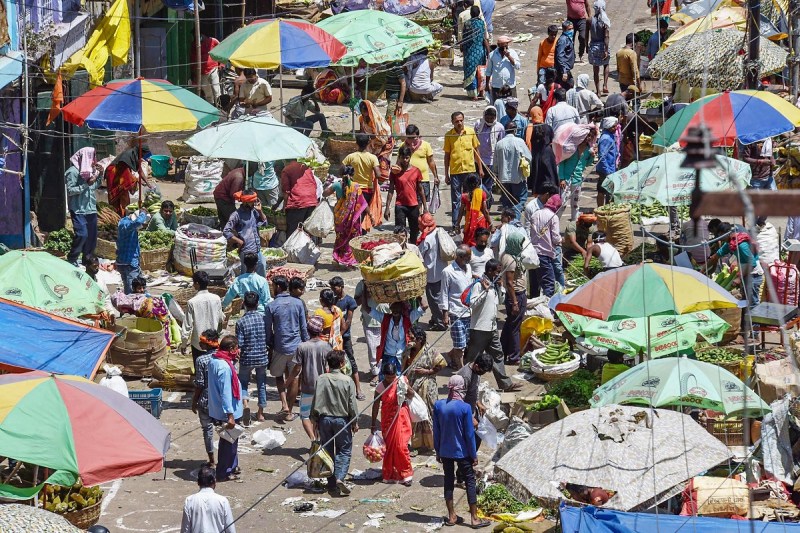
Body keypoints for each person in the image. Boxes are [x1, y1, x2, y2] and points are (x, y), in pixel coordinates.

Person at [434, 375, 490, 529]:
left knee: (448, 480)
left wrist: (437, 451)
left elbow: (436, 431)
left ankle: (451, 516)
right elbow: (469, 434)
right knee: (470, 480)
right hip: (463, 452)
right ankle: (474, 518)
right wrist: (473, 455)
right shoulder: (465, 408)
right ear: (462, 388)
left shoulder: (439, 405)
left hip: (445, 451)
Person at [465, 258, 522, 389]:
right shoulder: (479, 284)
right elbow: (472, 303)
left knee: (498, 355)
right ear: (490, 270)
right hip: (480, 328)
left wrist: (500, 287)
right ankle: (467, 383)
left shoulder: (494, 284)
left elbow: (500, 301)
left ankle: (505, 384)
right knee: (473, 358)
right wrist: (485, 291)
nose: (499, 274)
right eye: (497, 271)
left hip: (492, 328)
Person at [311, 349, 359, 497]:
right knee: (344, 450)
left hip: (324, 420)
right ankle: (340, 477)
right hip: (342, 420)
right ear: (342, 363)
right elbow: (352, 404)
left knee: (328, 452)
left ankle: (332, 484)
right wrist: (354, 421)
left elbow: (316, 401)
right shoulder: (347, 380)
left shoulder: (321, 379)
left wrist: (315, 419)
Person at [265, 275, 309, 421]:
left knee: (278, 375)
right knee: (294, 378)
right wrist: (305, 344)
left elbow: (268, 330)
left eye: (272, 286)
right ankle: (289, 411)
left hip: (280, 346)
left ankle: (284, 403)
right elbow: (303, 327)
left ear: (278, 287)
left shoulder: (271, 306)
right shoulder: (298, 303)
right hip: (296, 346)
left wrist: (270, 344)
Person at [287, 315, 332, 440]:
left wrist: (288, 382)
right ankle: (319, 439)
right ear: (320, 330)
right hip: (323, 388)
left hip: (307, 388)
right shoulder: (326, 346)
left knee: (305, 416)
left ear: (308, 330)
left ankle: (313, 439)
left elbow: (297, 369)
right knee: (320, 416)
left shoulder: (302, 347)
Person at [370, 362, 415, 486]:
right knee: (389, 448)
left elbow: (411, 395)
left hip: (401, 418)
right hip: (387, 420)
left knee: (401, 446)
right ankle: (391, 473)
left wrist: (405, 387)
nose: (390, 379)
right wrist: (373, 424)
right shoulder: (380, 387)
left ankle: (406, 474)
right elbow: (375, 405)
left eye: (392, 377)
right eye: (388, 377)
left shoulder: (401, 381)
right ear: (383, 375)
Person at [404, 325, 446, 453]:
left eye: (412, 338)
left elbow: (442, 364)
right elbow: (403, 367)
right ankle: (416, 445)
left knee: (428, 414)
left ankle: (432, 444)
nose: (410, 340)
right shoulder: (408, 350)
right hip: (412, 389)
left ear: (420, 339)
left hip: (427, 387)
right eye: (409, 337)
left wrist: (428, 371)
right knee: (414, 415)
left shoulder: (430, 351)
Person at [207, 335, 243, 481]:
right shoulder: (223, 367)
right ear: (231, 349)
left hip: (217, 408)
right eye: (236, 348)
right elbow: (226, 392)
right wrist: (230, 415)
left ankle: (232, 466)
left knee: (231, 441)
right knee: (228, 443)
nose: (238, 351)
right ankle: (224, 471)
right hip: (228, 411)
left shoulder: (214, 360)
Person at [706, 221, 764, 308]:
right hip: (745, 274)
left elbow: (752, 264)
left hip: (753, 275)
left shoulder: (741, 245)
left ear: (727, 233)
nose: (720, 238)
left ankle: (756, 322)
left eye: (721, 236)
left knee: (752, 304)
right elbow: (717, 255)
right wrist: (703, 269)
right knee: (745, 301)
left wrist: (738, 278)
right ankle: (746, 320)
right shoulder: (729, 243)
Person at [366, 300, 426, 378]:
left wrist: (419, 296)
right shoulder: (385, 318)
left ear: (402, 310)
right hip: (388, 355)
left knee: (401, 381)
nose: (395, 312)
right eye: (393, 309)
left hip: (402, 357)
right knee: (386, 381)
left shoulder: (408, 319)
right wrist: (364, 292)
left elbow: (424, 306)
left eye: (397, 309)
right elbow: (366, 308)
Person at [444, 111, 482, 232]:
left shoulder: (470, 132)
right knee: (456, 199)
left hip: (470, 171)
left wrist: (480, 169)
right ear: (452, 122)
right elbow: (447, 155)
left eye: (461, 120)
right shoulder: (449, 135)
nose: (459, 123)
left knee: (470, 199)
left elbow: (476, 152)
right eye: (456, 121)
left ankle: (469, 223)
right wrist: (446, 174)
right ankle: (455, 225)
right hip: (455, 172)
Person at [323, 166, 368, 268]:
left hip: (340, 217)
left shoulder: (336, 185)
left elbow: (324, 194)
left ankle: (338, 258)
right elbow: (363, 202)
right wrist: (371, 215)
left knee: (340, 238)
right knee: (352, 240)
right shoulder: (356, 187)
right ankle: (350, 261)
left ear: (340, 174)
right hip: (353, 220)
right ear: (353, 175)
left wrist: (327, 186)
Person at [235, 291, 269, 423]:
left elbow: (240, 342)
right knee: (261, 384)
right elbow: (267, 336)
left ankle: (245, 405)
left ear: (244, 304)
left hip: (247, 357)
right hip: (261, 356)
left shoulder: (241, 322)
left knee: (243, 382)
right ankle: (260, 413)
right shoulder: (263, 318)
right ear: (258, 304)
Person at [66, 147, 102, 266]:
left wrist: (100, 175)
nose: (93, 161)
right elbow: (70, 190)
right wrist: (86, 184)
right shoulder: (73, 172)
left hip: (90, 208)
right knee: (82, 234)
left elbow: (94, 186)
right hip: (78, 209)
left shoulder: (89, 171)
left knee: (91, 237)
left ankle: (87, 260)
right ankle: (72, 258)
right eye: (91, 157)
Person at [330, 276, 364, 400]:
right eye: (332, 288)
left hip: (345, 337)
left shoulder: (349, 301)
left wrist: (339, 335)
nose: (334, 290)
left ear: (342, 286)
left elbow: (348, 320)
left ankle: (358, 389)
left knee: (351, 361)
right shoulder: (332, 300)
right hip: (335, 337)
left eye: (335, 288)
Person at [385, 146, 427, 242]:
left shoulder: (416, 171)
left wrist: (425, 207)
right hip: (400, 206)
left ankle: (412, 251)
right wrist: (387, 208)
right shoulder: (394, 172)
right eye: (402, 157)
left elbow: (420, 190)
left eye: (407, 157)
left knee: (414, 231)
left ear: (410, 157)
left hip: (413, 206)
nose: (405, 160)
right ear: (399, 157)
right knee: (399, 233)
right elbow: (391, 190)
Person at [223, 188, 268, 277]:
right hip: (246, 251)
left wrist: (260, 210)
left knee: (262, 266)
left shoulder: (254, 212)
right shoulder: (236, 215)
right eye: (252, 201)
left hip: (257, 249)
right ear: (245, 202)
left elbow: (265, 223)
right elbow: (226, 231)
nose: (254, 203)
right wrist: (239, 241)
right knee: (246, 274)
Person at [191, 329, 220, 468]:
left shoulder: (201, 360)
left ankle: (212, 460)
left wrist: (194, 400)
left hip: (206, 401)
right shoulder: (223, 357)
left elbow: (200, 383)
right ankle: (229, 460)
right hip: (221, 399)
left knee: (207, 430)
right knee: (225, 430)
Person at [558, 123, 598, 221]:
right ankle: (556, 223)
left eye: (591, 136)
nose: (588, 138)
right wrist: (562, 178)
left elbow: (588, 164)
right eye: (587, 136)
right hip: (566, 179)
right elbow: (562, 162)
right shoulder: (571, 148)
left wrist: (592, 156)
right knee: (562, 204)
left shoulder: (588, 150)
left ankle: (574, 223)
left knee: (575, 204)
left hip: (577, 180)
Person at [182, 271, 225, 361]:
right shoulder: (216, 298)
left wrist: (184, 344)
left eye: (194, 283)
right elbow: (221, 318)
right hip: (213, 342)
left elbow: (187, 326)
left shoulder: (192, 302)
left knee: (199, 370)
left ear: (197, 283)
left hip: (199, 344)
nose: (193, 285)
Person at [499, 233, 529, 363]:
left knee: (510, 324)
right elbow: (510, 282)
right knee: (515, 327)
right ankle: (514, 356)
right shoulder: (510, 259)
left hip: (518, 294)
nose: (521, 246)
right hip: (515, 295)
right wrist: (515, 302)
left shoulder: (511, 255)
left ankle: (502, 349)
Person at [443, 245, 474, 369]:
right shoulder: (448, 272)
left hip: (469, 311)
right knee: (460, 345)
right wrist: (445, 314)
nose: (470, 259)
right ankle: (462, 370)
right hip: (455, 313)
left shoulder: (468, 268)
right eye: (468, 257)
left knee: (464, 342)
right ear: (460, 257)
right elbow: (444, 293)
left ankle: (451, 356)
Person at [180, 466, 236, 533]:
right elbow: (230, 530)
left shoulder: (189, 501)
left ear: (198, 482)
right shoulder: (223, 501)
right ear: (214, 482)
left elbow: (185, 530)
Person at [494, 123, 532, 218]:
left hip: (503, 178)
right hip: (517, 177)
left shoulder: (499, 144)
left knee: (507, 202)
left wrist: (496, 174)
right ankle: (515, 219)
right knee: (520, 200)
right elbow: (529, 157)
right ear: (515, 130)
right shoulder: (519, 142)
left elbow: (495, 163)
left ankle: (507, 221)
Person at [418, 213, 448, 331]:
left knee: (433, 299)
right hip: (442, 270)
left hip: (432, 274)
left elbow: (420, 255)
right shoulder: (440, 232)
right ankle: (436, 318)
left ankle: (440, 322)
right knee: (441, 296)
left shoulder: (427, 239)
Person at [354, 281, 389, 384]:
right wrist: (366, 295)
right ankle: (375, 373)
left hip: (387, 318)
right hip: (370, 321)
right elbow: (356, 302)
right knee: (373, 349)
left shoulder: (387, 281)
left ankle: (387, 371)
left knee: (389, 348)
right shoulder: (362, 284)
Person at [528, 195, 563, 297]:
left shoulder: (535, 214)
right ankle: (548, 307)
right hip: (545, 254)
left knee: (534, 283)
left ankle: (535, 302)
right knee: (548, 283)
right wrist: (562, 240)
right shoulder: (553, 217)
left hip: (533, 253)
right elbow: (556, 238)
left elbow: (532, 233)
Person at [105, 146, 152, 217]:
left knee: (124, 195)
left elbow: (140, 170)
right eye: (143, 154)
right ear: (140, 151)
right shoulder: (129, 155)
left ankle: (121, 215)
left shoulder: (135, 155)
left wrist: (147, 183)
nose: (143, 156)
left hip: (121, 174)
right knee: (119, 196)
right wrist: (136, 180)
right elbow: (125, 173)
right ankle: (117, 216)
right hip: (114, 173)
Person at [401, 125, 439, 204]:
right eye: (409, 138)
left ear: (418, 136)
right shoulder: (403, 146)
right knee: (409, 202)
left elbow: (431, 162)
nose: (411, 141)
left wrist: (435, 176)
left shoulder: (425, 145)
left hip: (423, 180)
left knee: (421, 203)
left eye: (413, 138)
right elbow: (399, 162)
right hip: (408, 180)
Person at [343, 133, 382, 210]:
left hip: (353, 189)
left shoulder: (350, 157)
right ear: (368, 143)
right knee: (364, 212)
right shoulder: (372, 158)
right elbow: (378, 174)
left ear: (356, 143)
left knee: (354, 213)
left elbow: (341, 170)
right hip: (367, 190)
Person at [475, 106, 505, 205]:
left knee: (488, 185)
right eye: (487, 118)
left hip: (491, 161)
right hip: (478, 159)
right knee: (477, 184)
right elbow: (474, 140)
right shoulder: (478, 124)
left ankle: (487, 204)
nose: (489, 120)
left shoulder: (499, 127)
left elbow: (501, 143)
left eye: (492, 118)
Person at [359, 100, 395, 181]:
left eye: (365, 111)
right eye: (362, 111)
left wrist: (373, 142)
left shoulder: (377, 121)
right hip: (372, 143)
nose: (364, 113)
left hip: (385, 143)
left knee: (382, 164)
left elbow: (383, 137)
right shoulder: (361, 119)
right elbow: (362, 132)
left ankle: (382, 178)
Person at [280, 160, 319, 235]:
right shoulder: (306, 168)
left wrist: (284, 207)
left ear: (285, 160)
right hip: (311, 201)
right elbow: (314, 184)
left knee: (293, 231)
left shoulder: (286, 170)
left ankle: (293, 246)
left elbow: (286, 190)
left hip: (297, 203)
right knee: (308, 229)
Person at [116, 207, 149, 294]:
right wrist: (143, 213)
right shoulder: (126, 225)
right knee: (133, 289)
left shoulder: (124, 222)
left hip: (127, 262)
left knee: (137, 285)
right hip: (129, 263)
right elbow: (138, 222)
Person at [461, 6, 490, 100]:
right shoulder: (481, 23)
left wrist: (462, 47)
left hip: (469, 51)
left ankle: (474, 95)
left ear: (470, 14)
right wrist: (488, 51)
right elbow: (484, 38)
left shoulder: (467, 24)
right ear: (478, 13)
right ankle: (481, 92)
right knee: (480, 72)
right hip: (480, 51)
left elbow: (464, 38)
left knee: (471, 73)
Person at [457, 174, 492, 248]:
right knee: (481, 240)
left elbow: (460, 212)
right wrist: (490, 223)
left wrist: (457, 224)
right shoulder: (482, 193)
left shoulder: (464, 196)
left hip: (469, 221)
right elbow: (485, 211)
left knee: (469, 240)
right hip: (480, 221)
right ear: (477, 183)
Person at [190, 32, 223, 105]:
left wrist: (221, 64)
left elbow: (222, 50)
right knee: (207, 91)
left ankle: (219, 105)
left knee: (216, 88)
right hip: (202, 72)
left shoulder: (213, 41)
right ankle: (211, 106)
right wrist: (194, 71)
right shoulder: (194, 44)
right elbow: (192, 58)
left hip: (213, 68)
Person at [485, 35, 521, 101]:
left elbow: (518, 66)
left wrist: (509, 57)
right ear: (498, 45)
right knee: (497, 105)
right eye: (502, 46)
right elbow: (488, 71)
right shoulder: (492, 55)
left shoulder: (512, 53)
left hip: (510, 86)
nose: (504, 47)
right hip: (497, 86)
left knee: (511, 106)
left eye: (505, 45)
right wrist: (487, 84)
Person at [528, 125, 559, 195]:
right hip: (546, 152)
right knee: (550, 174)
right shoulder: (548, 127)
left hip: (537, 154)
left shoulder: (532, 128)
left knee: (537, 175)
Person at [588, 0, 611, 95]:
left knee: (595, 69)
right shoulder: (604, 21)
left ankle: (598, 91)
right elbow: (606, 36)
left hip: (593, 46)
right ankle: (605, 85)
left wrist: (586, 46)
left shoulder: (589, 20)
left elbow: (586, 35)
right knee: (606, 64)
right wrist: (606, 49)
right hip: (602, 46)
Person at [596, 116, 619, 207]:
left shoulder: (610, 135)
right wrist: (607, 171)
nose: (615, 128)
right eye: (613, 126)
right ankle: (602, 209)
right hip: (605, 170)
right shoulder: (605, 138)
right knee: (605, 191)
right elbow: (602, 156)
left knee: (606, 191)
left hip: (610, 167)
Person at [555, 21, 576, 87]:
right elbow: (559, 56)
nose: (571, 31)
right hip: (563, 69)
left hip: (566, 68)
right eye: (569, 29)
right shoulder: (563, 40)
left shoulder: (568, 38)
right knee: (569, 86)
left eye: (572, 28)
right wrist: (564, 71)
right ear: (564, 30)